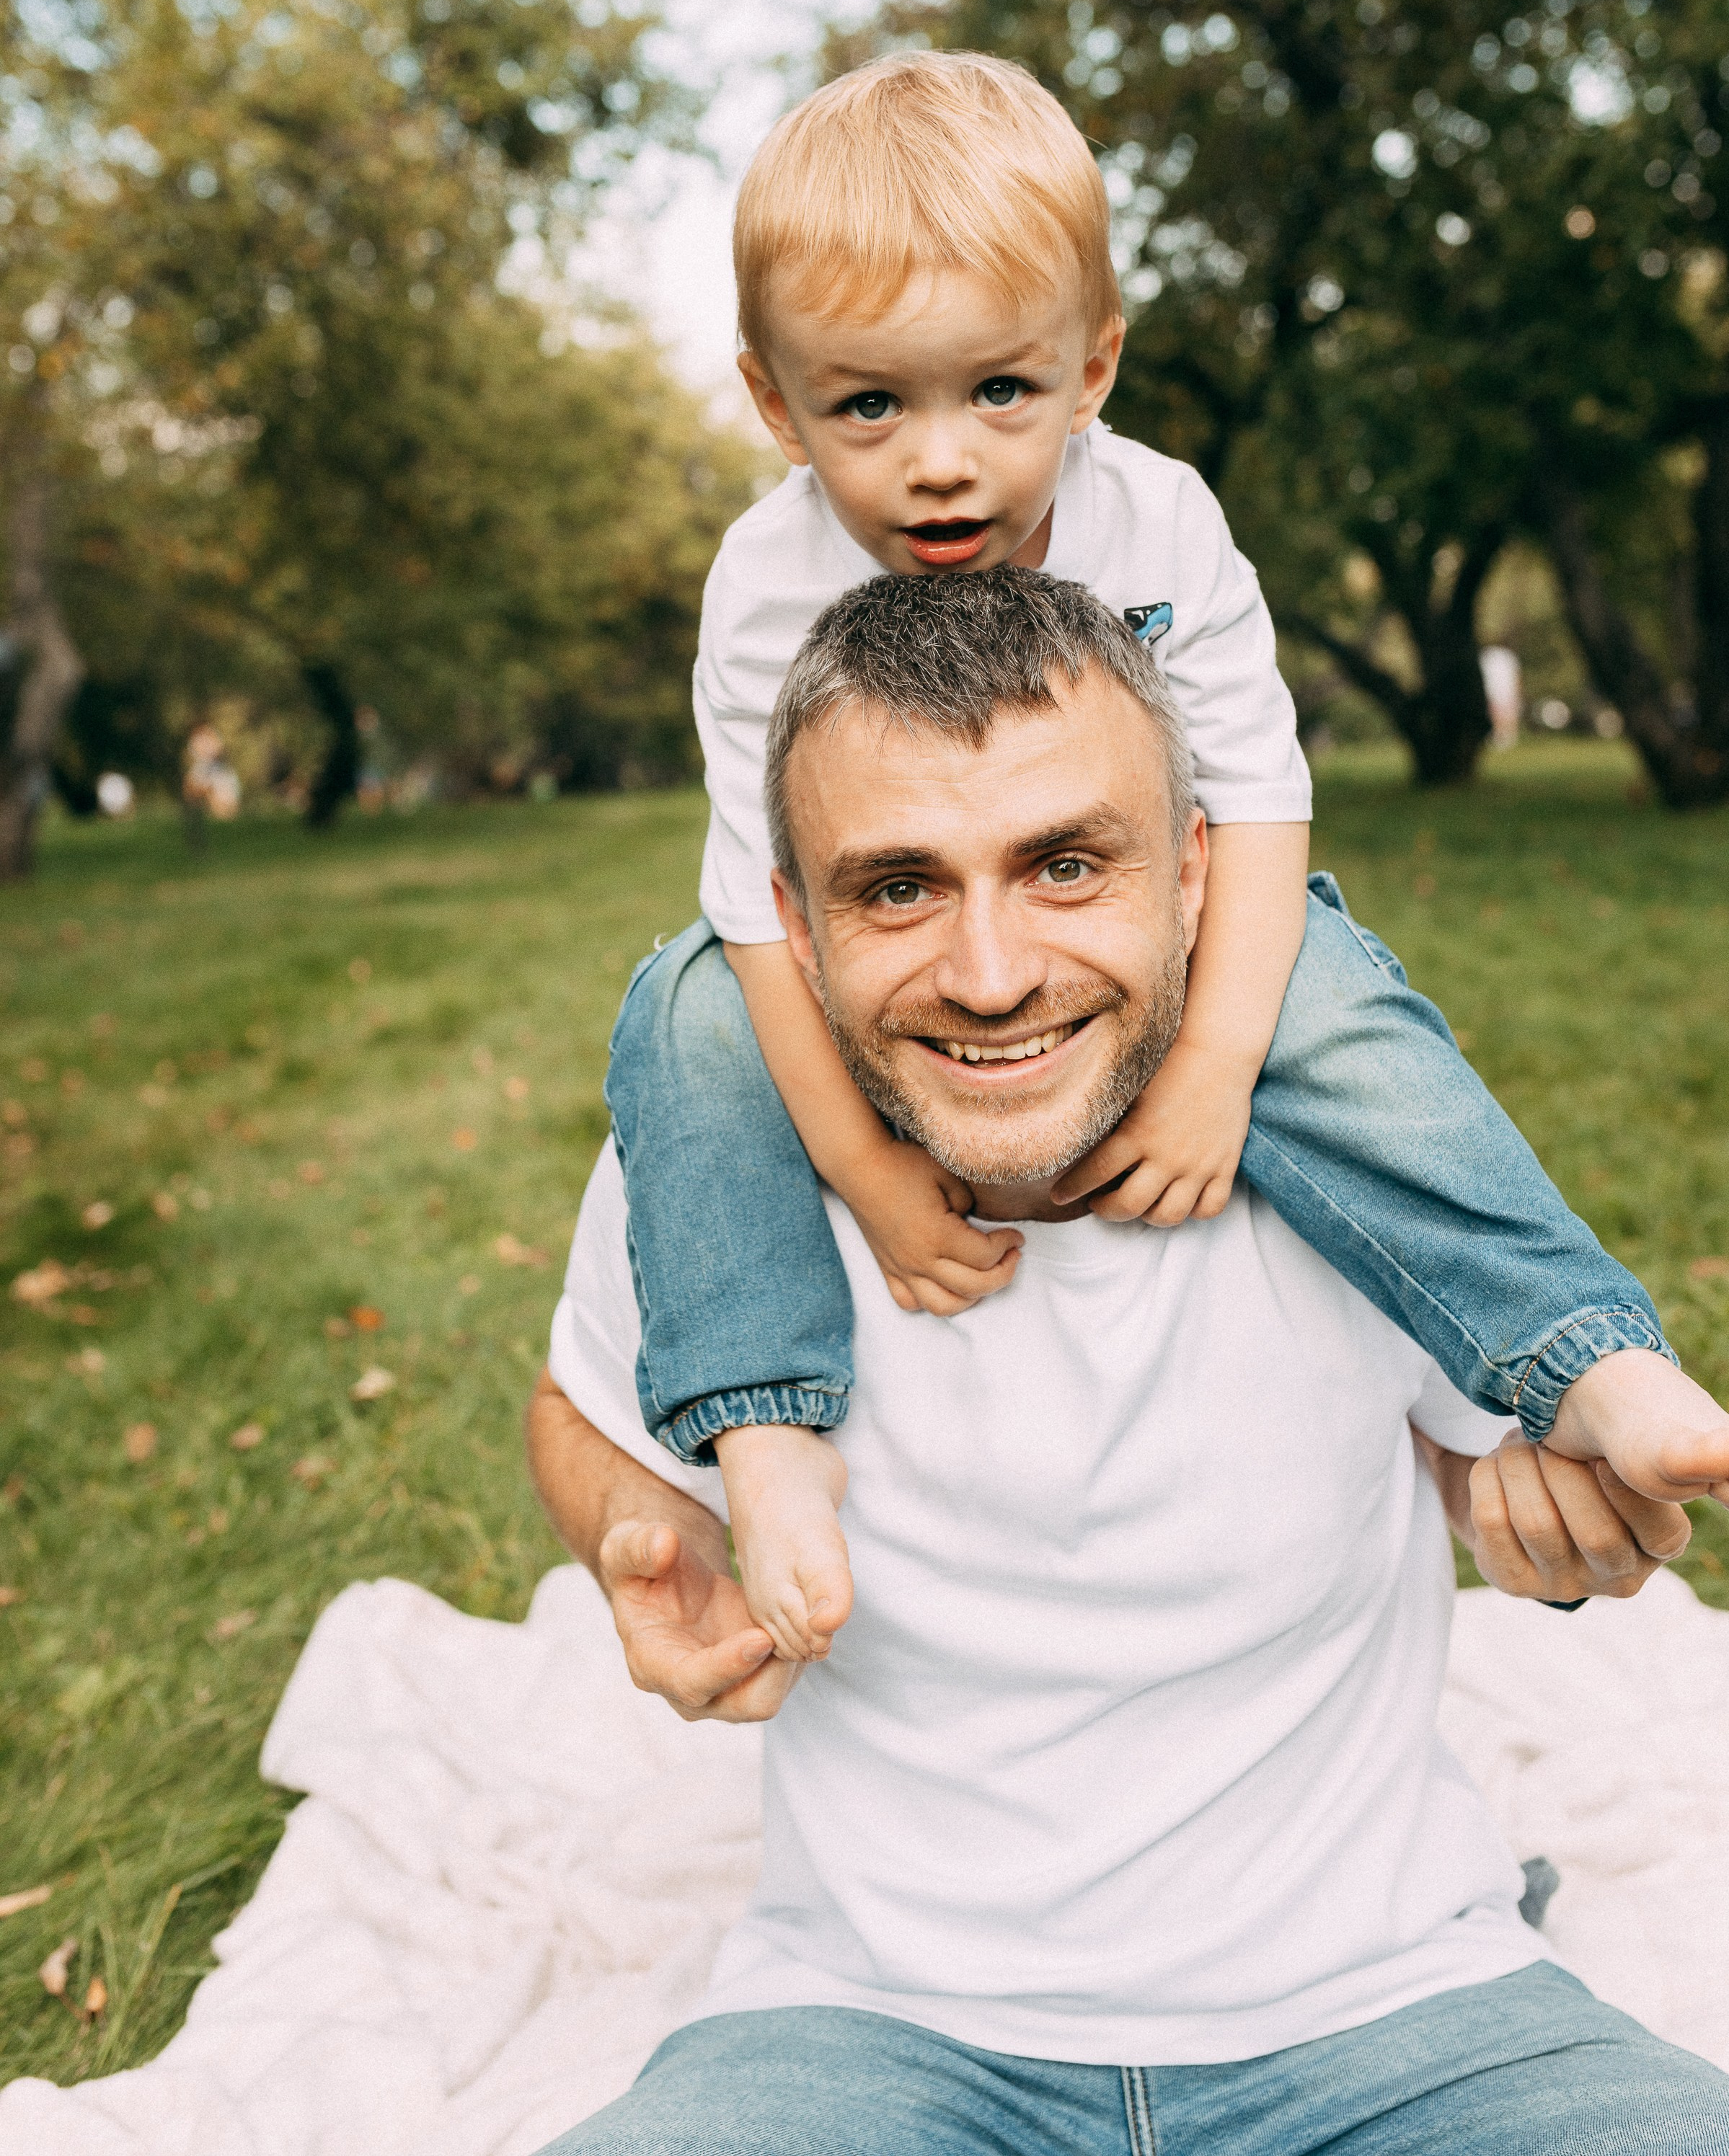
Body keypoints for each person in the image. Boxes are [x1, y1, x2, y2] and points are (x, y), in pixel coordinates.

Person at [528, 567, 1729, 2156]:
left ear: (1192, 874)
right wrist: (648, 1542)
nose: (988, 970)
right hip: (872, 2028)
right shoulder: (719, 1175)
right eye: (895, 888)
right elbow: (581, 1413)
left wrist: (1547, 1518)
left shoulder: (1353, 1149)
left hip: (1401, 2005)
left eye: (1063, 864)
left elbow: (1489, 1459)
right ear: (790, 924)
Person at [606, 50, 1677, 1663]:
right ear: (775, 401)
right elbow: (761, 923)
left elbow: (1250, 803)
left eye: (999, 391)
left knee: (1333, 985)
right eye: (868, 405)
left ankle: (1576, 1343)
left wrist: (1213, 1071)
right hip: (867, 930)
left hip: (1142, 910)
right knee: (679, 1010)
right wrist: (879, 1181)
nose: (941, 458)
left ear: (1092, 363)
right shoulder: (765, 586)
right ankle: (761, 1430)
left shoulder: (1159, 521)